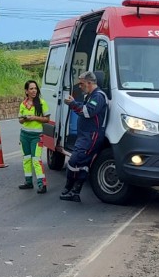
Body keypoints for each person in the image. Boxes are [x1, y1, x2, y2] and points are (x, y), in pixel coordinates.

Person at [60, 71, 108, 202]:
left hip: (91, 136)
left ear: (89, 83)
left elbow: (88, 112)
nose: (80, 86)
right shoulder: (91, 95)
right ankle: (73, 191)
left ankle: (71, 188)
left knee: (74, 161)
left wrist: (72, 104)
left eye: (81, 84)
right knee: (83, 163)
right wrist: (75, 103)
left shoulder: (98, 96)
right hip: (86, 135)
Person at [17, 80, 51, 193]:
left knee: (36, 160)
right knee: (26, 159)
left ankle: (42, 185)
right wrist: (24, 118)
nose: (34, 91)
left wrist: (34, 118)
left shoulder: (41, 103)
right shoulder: (23, 104)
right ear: (26, 91)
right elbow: (20, 120)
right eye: (31, 89)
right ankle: (28, 182)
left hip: (36, 136)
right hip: (24, 135)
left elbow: (47, 119)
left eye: (35, 88)